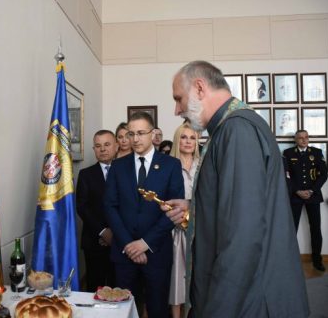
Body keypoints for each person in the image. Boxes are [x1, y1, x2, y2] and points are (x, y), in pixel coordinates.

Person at [165, 60, 309, 317]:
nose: (177, 110)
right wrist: (195, 206)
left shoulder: (237, 130)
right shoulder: (228, 128)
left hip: (247, 300)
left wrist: (217, 310)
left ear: (199, 88)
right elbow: (242, 203)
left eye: (178, 98)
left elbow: (243, 234)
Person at [104, 111, 184, 318]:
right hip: (124, 252)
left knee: (157, 309)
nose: (135, 139)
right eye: (131, 134)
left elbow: (174, 210)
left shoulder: (171, 165)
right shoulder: (118, 166)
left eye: (141, 133)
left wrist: (145, 243)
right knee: (123, 310)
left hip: (156, 252)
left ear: (153, 133)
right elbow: (110, 207)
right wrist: (130, 245)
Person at [76, 130, 118, 291]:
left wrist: (114, 232)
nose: (103, 149)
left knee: (118, 288)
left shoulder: (126, 172)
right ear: (94, 149)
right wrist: (103, 231)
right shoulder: (85, 174)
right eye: (98, 146)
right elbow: (82, 206)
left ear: (115, 146)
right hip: (93, 241)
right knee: (94, 287)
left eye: (107, 144)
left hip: (120, 240)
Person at [283, 130, 328, 271]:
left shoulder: (317, 152)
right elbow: (286, 175)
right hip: (295, 196)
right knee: (292, 229)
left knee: (315, 228)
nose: (304, 140)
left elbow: (323, 175)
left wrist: (311, 191)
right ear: (295, 139)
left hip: (313, 196)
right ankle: (289, 260)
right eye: (300, 138)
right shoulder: (288, 153)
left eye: (306, 137)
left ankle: (317, 260)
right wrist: (297, 190)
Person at [168, 122, 199, 318]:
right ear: (177, 140)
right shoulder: (167, 164)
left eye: (192, 138)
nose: (188, 142)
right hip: (174, 228)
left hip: (199, 228)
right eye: (183, 137)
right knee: (176, 276)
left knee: (197, 275)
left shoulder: (204, 164)